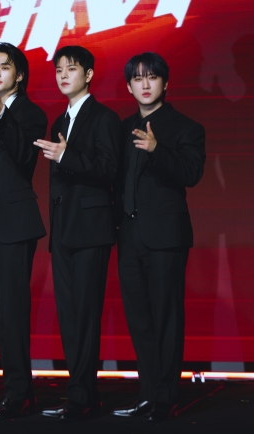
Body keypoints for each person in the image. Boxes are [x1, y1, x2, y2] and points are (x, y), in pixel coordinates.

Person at [111, 52, 205, 422]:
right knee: (139, 319)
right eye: (137, 78)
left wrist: (156, 149)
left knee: (166, 318)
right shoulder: (120, 128)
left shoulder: (186, 127)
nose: (145, 84)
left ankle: (166, 397)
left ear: (165, 83)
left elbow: (192, 173)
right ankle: (148, 394)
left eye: (152, 77)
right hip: (129, 235)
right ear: (129, 86)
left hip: (166, 236)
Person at [35, 45, 120, 421]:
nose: (63, 75)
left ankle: (83, 397)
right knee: (69, 316)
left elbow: (108, 169)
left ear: (88, 74)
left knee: (85, 315)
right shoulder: (59, 121)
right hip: (64, 233)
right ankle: (80, 393)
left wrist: (67, 156)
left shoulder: (104, 118)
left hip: (91, 231)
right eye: (59, 70)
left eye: (72, 69)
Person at [0, 42, 47, 419]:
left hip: (15, 226)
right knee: (1, 312)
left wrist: (4, 117)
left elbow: (22, 157)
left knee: (14, 311)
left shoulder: (30, 113)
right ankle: (14, 389)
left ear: (19, 74)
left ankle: (21, 392)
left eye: (4, 67)